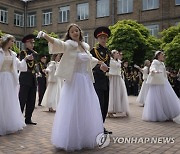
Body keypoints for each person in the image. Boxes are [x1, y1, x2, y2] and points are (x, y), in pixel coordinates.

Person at [37, 23, 108, 151]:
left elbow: (90, 58)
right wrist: (46, 36)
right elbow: (59, 44)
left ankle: (85, 136)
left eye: (76, 30)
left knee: (86, 107)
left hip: (86, 80)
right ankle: (71, 137)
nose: (75, 33)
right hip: (74, 80)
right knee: (73, 107)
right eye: (72, 32)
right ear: (69, 35)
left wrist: (100, 62)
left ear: (80, 32)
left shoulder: (85, 46)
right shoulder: (69, 45)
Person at [0, 34, 32, 135]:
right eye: (12, 41)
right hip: (1, 78)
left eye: (14, 41)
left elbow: (19, 65)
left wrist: (26, 59)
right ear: (7, 41)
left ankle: (8, 123)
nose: (13, 43)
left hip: (10, 79)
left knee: (10, 100)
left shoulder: (13, 54)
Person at [142, 51, 180, 123]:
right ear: (158, 56)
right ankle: (158, 114)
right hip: (157, 83)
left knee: (166, 98)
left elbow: (163, 71)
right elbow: (152, 68)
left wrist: (167, 73)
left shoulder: (162, 63)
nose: (164, 56)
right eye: (162, 54)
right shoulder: (155, 62)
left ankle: (167, 113)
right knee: (157, 99)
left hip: (163, 81)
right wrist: (155, 71)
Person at [90, 26, 112, 134]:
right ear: (98, 39)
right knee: (99, 104)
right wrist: (100, 68)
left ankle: (101, 126)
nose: (103, 39)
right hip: (97, 81)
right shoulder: (94, 51)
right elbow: (89, 64)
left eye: (105, 37)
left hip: (106, 81)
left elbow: (108, 65)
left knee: (105, 105)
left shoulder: (108, 52)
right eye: (101, 37)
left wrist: (108, 69)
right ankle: (96, 127)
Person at [19, 34, 38, 125]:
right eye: (31, 42)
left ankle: (28, 118)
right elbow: (23, 64)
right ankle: (19, 118)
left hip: (33, 79)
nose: (32, 44)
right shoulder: (23, 53)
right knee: (22, 99)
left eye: (33, 42)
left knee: (31, 100)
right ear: (26, 43)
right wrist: (27, 58)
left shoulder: (35, 53)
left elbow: (35, 66)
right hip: (25, 78)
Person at [108, 50, 129, 117]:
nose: (118, 54)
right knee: (113, 94)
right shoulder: (111, 61)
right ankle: (110, 111)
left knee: (120, 93)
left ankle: (121, 109)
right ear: (113, 54)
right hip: (113, 78)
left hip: (118, 78)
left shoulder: (118, 61)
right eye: (117, 53)